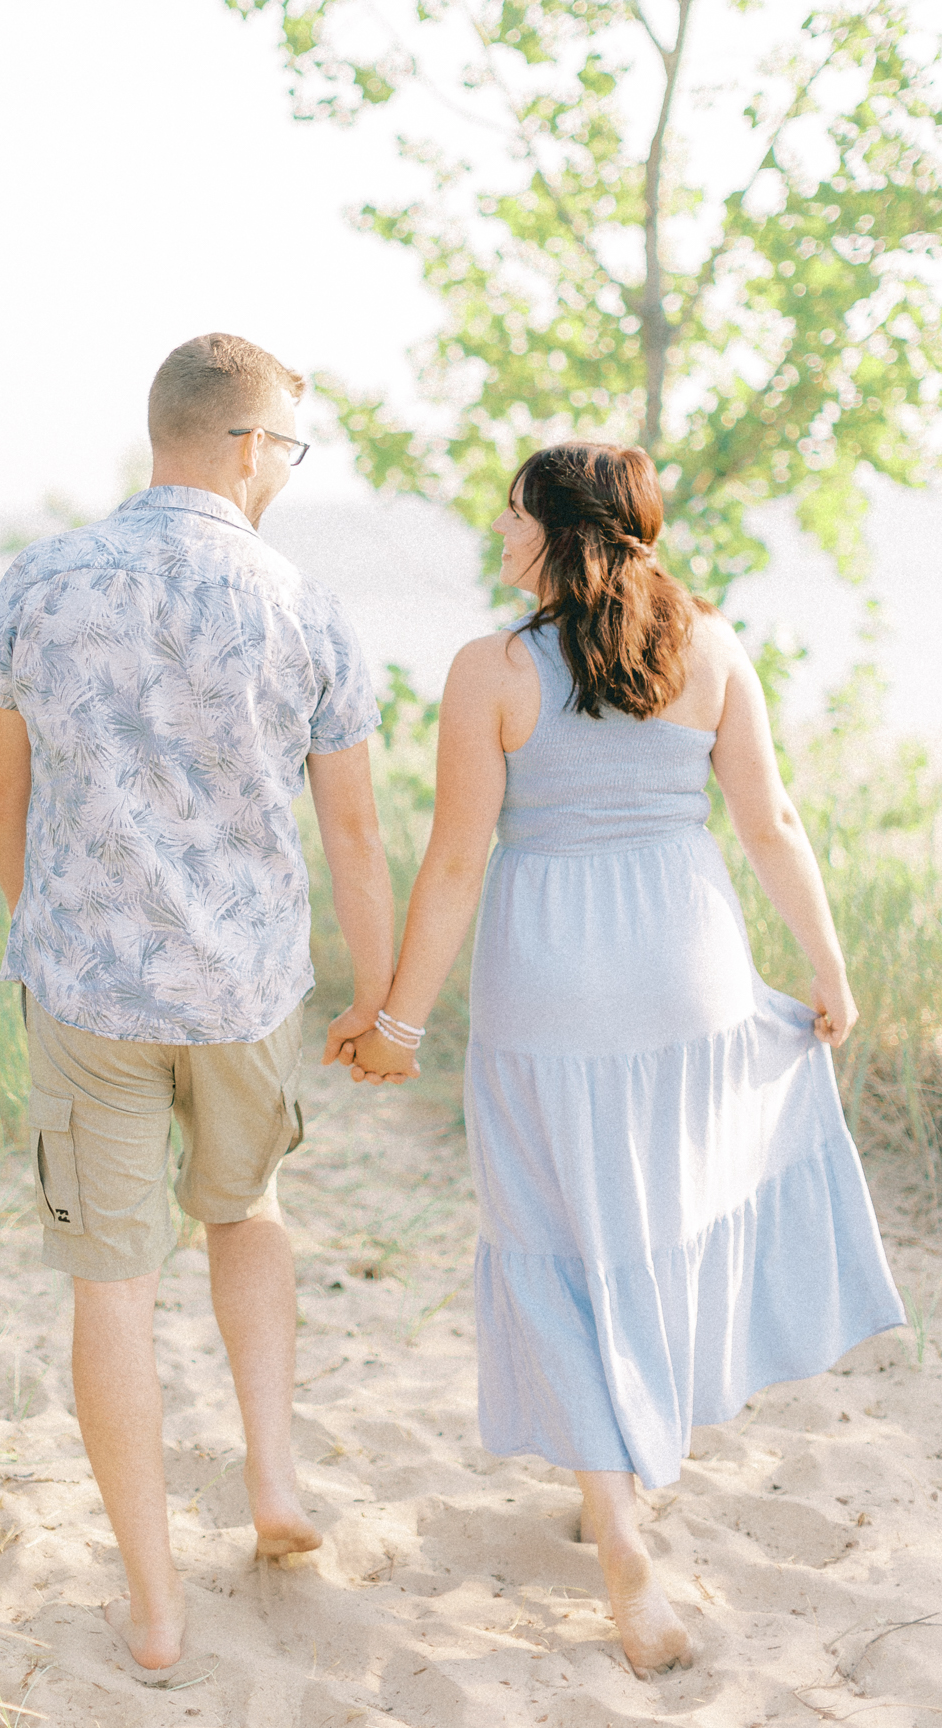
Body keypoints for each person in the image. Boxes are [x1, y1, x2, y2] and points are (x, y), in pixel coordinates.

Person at [327, 441, 904, 1680]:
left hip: (554, 980)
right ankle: (628, 1463)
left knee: (553, 1237)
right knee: (655, 1215)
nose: (496, 522)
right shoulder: (714, 642)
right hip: (686, 965)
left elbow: (457, 865)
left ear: (562, 526)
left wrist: (401, 1023)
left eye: (513, 508)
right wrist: (830, 966)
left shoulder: (491, 668)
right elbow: (770, 821)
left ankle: (625, 1542)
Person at [0, 332, 393, 1672]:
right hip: (244, 989)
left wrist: (49, 920)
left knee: (112, 1283)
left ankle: (152, 1609)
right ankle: (272, 1478)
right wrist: (379, 1000)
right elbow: (358, 838)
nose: (290, 473)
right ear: (247, 445)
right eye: (291, 449)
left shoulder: (43, 580)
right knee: (246, 1207)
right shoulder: (303, 604)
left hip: (87, 988)